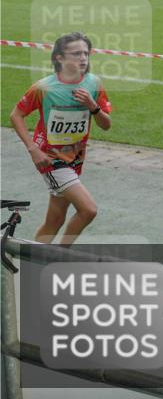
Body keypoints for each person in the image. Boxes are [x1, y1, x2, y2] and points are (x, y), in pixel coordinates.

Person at [10, 32, 112, 247]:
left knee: (54, 220)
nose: (83, 58)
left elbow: (106, 125)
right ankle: (60, 256)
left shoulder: (94, 83)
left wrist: (93, 106)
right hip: (49, 160)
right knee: (88, 210)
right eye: (76, 54)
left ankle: (29, 261)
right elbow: (16, 115)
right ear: (59, 58)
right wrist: (32, 149)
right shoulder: (43, 88)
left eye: (86, 53)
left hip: (75, 159)